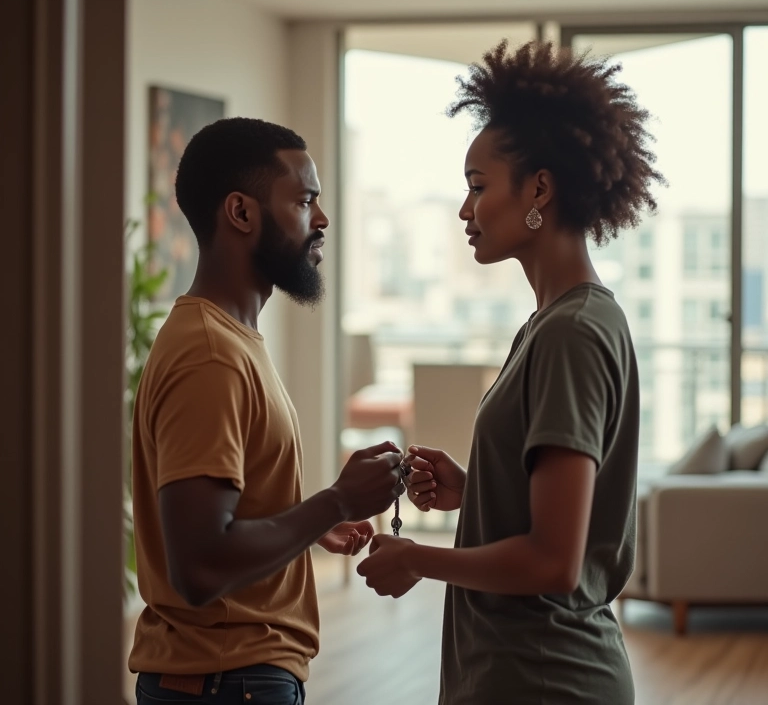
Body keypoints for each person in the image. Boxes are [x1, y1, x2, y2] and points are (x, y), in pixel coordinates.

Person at [357, 40, 664, 704]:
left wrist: (416, 558)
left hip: (544, 679)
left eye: (476, 187)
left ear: (539, 190)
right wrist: (475, 491)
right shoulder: (557, 324)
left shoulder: (572, 334)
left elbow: (555, 561)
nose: (465, 211)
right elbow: (559, 517)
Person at [129, 117, 405, 705]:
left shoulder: (230, 339)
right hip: (226, 682)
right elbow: (200, 567)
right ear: (241, 212)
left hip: (233, 677)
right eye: (305, 200)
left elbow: (225, 519)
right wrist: (337, 500)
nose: (322, 220)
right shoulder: (211, 355)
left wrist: (306, 520)